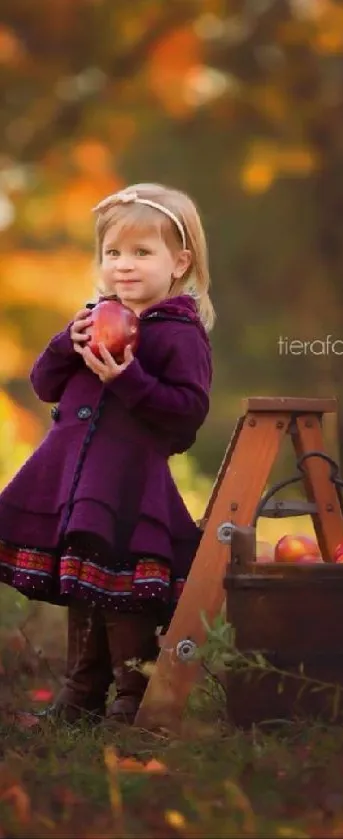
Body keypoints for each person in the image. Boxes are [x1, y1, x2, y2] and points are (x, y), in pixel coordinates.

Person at [0, 182, 215, 725]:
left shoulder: (178, 332)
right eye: (113, 253)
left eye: (142, 253)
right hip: (74, 479)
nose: (124, 266)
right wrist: (63, 343)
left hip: (127, 484)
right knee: (84, 581)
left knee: (125, 586)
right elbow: (46, 385)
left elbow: (185, 412)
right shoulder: (97, 317)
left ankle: (130, 694)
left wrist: (129, 380)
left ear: (179, 262)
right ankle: (80, 693)